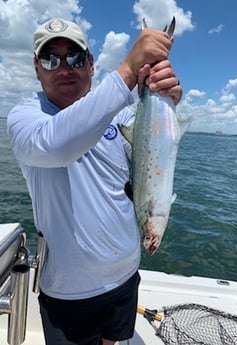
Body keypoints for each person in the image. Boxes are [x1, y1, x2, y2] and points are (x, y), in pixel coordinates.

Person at [7, 18, 182, 345]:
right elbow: (59, 145)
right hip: (69, 290)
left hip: (126, 276)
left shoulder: (123, 113)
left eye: (74, 57)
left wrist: (166, 99)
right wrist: (129, 69)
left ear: (90, 63)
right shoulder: (25, 118)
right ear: (36, 67)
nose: (63, 68)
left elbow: (153, 155)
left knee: (111, 341)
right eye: (50, 59)